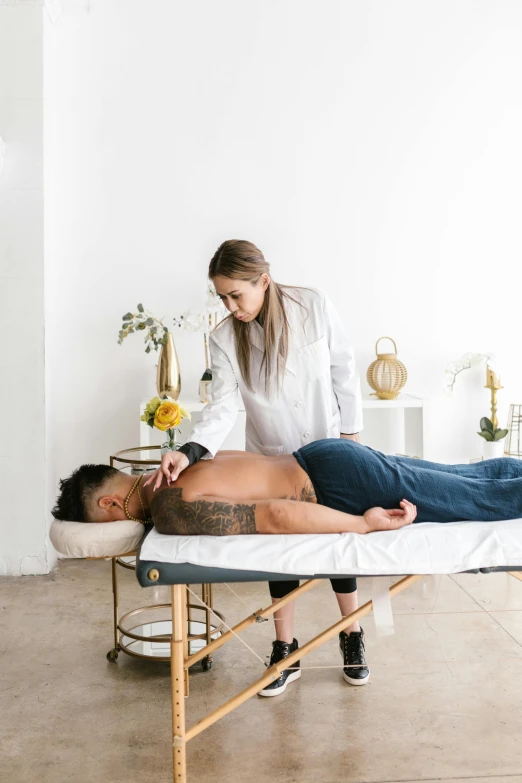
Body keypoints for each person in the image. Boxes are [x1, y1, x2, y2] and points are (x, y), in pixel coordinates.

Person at [54, 441, 522, 689]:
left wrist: (361, 524)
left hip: (336, 485)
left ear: (112, 502)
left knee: (476, 501)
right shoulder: (178, 463)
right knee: (465, 479)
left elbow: (277, 515)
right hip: (322, 455)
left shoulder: (171, 506)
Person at [144, 238, 368, 693]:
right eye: (222, 296)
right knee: (278, 550)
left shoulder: (313, 304)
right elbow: (222, 408)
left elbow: (344, 369)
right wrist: (186, 452)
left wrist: (352, 437)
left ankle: (352, 633)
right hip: (271, 455)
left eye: (235, 295)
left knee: (340, 540)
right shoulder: (224, 337)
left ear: (263, 281)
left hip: (328, 447)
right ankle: (285, 647)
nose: (230, 305)